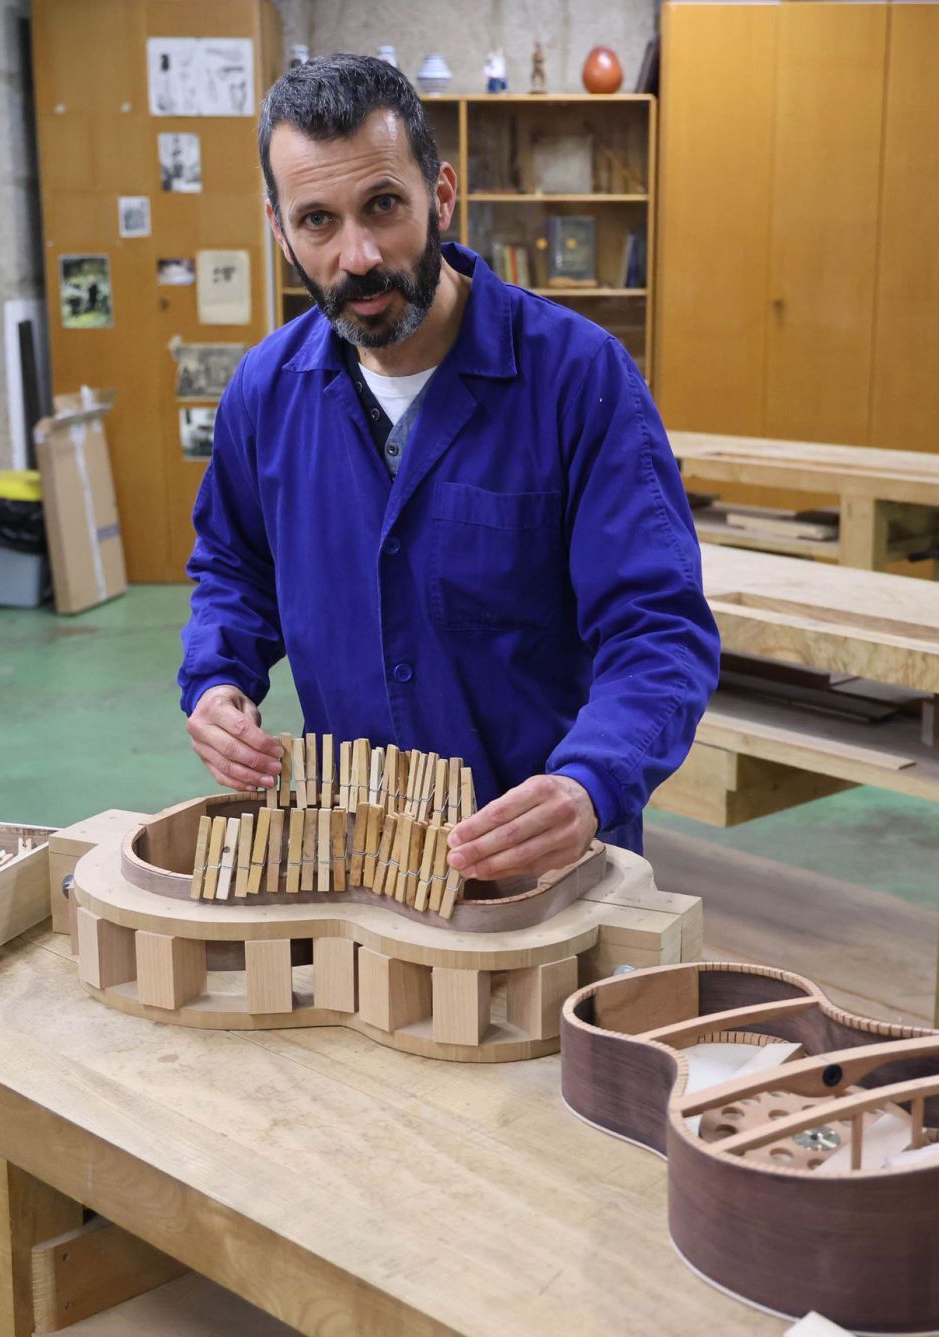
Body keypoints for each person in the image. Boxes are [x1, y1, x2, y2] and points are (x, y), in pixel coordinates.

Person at [179, 54, 719, 882]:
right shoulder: (265, 394)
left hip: (548, 868)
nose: (358, 255)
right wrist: (217, 679)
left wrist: (589, 782)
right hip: (361, 861)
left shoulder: (579, 379)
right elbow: (234, 568)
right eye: (318, 220)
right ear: (279, 230)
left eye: (384, 205)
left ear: (441, 194)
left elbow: (658, 627)